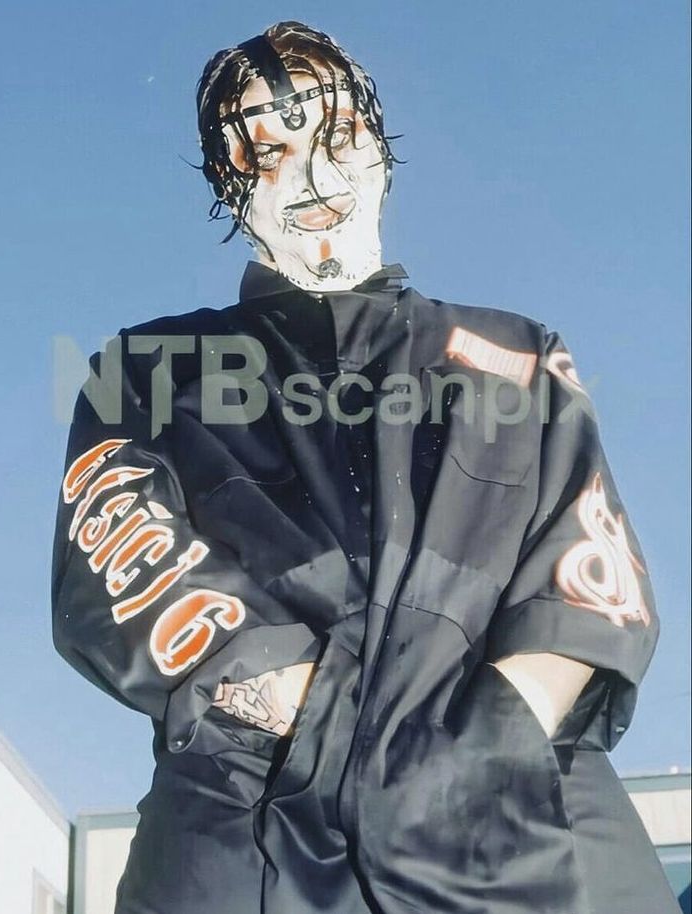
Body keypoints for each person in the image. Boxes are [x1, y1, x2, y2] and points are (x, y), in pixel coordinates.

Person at [51, 21, 679, 914]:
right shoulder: (144, 369)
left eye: (335, 138)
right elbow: (123, 566)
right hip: (244, 824)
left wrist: (481, 752)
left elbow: (588, 576)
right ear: (229, 187)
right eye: (265, 151)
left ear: (380, 150)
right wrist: (336, 726)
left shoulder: (521, 356)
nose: (310, 178)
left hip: (529, 816)